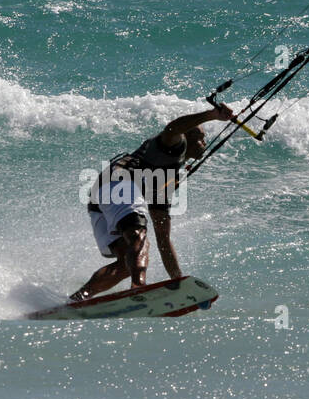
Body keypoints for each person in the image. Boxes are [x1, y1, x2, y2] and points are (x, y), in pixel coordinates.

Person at [70, 103, 233, 301]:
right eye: (200, 138)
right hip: (120, 180)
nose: (204, 142)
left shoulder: (165, 180)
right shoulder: (172, 145)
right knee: (139, 239)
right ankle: (138, 288)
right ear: (186, 138)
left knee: (126, 263)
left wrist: (178, 281)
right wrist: (212, 115)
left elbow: (163, 240)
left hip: (99, 200)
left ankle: (79, 299)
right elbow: (173, 128)